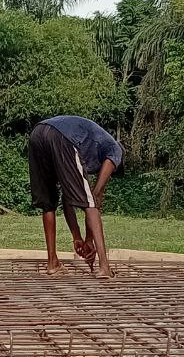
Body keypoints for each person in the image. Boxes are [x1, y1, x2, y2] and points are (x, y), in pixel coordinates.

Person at [28, 115, 123, 278]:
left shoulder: (92, 149)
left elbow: (68, 197)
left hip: (37, 133)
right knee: (91, 202)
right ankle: (104, 267)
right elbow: (95, 196)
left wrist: (77, 237)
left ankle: (52, 264)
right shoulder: (116, 151)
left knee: (48, 203)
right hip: (63, 136)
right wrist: (89, 241)